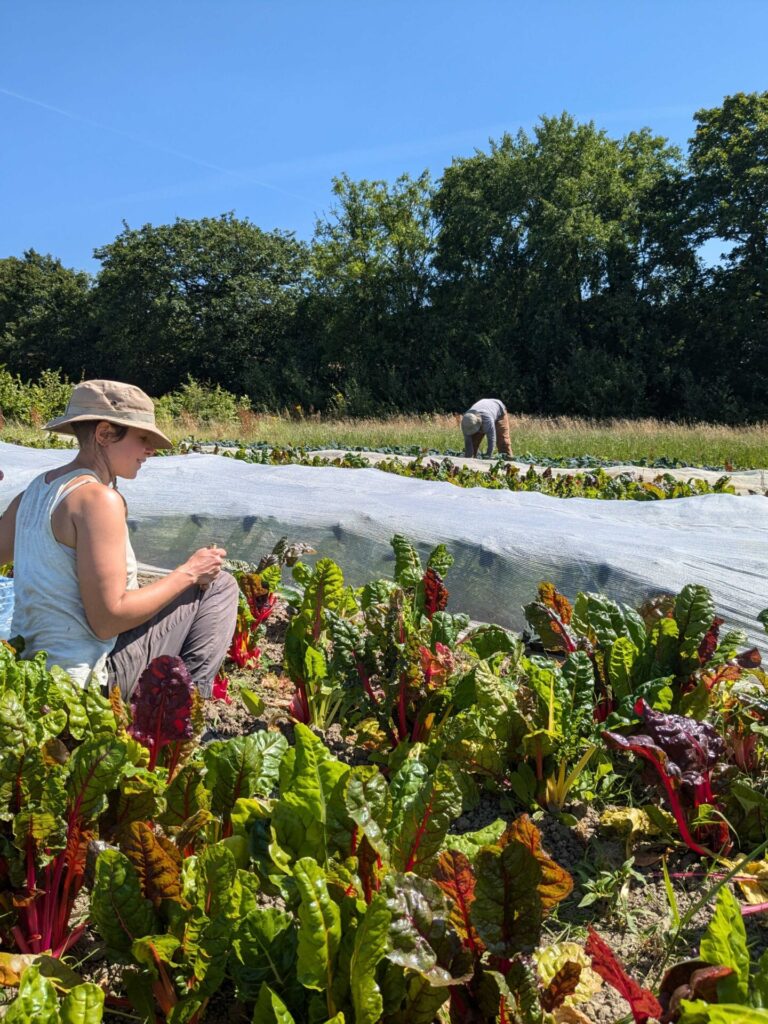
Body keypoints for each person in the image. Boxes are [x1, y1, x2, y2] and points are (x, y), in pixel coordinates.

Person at [0, 380, 238, 699]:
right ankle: (183, 712)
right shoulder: (98, 500)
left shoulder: (33, 492)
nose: (150, 450)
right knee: (220, 585)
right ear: (104, 434)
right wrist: (190, 572)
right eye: (143, 438)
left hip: (34, 674)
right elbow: (107, 619)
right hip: (84, 682)